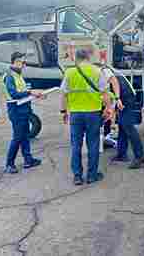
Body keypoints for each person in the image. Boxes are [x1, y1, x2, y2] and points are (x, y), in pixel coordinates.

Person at [60, 49, 110, 185]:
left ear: (76, 58)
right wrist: (108, 109)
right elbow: (105, 93)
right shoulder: (96, 71)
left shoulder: (69, 72)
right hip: (93, 113)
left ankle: (77, 176)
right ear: (88, 57)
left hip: (76, 114)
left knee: (76, 145)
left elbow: (64, 94)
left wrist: (63, 111)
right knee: (93, 144)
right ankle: (92, 175)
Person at [3, 52, 43, 174]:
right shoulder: (10, 76)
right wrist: (31, 93)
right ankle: (9, 164)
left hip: (24, 109)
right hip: (16, 110)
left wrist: (35, 95)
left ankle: (28, 160)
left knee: (25, 136)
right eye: (22, 62)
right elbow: (14, 94)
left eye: (24, 62)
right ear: (15, 62)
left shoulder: (18, 75)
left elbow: (23, 92)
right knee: (18, 137)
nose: (24, 65)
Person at [105, 68, 144, 169]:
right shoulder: (103, 69)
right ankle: (122, 154)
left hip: (126, 98)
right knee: (122, 126)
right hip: (124, 96)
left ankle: (140, 155)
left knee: (128, 126)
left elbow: (114, 83)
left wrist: (115, 102)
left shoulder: (102, 70)